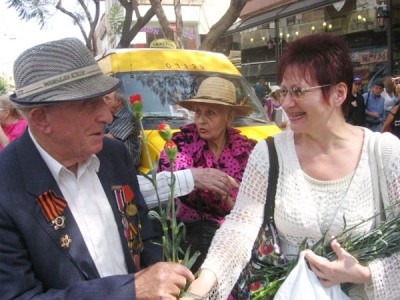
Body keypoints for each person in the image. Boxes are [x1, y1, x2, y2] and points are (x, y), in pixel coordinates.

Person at [183, 33, 400, 299]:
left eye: (298, 91)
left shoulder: (384, 154)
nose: (285, 103)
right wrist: (199, 288)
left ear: (338, 93)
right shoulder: (270, 153)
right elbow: (240, 228)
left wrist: (367, 274)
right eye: (283, 91)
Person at [0, 37, 194, 299]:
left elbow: (144, 232)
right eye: (90, 104)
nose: (107, 115)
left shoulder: (114, 155)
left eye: (103, 100)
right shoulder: (6, 186)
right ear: (41, 118)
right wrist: (130, 291)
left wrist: (164, 274)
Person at [158, 76, 257, 272]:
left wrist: (230, 202)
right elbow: (171, 177)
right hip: (188, 234)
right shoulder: (182, 142)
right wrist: (198, 178)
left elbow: (252, 201)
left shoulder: (246, 149)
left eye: (211, 113)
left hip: (231, 234)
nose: (201, 120)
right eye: (198, 112)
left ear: (229, 117)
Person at [104, 88, 142, 167]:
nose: (103, 101)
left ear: (119, 102)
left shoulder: (128, 118)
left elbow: (108, 139)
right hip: (113, 162)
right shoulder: (109, 116)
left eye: (107, 98)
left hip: (126, 166)